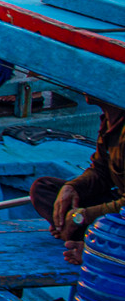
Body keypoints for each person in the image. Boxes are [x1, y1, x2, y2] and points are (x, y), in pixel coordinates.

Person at [30, 99, 124, 265]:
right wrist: (72, 187)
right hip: (116, 207)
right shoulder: (109, 119)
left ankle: (96, 246)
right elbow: (101, 171)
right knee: (44, 189)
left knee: (107, 229)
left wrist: (83, 216)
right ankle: (81, 233)